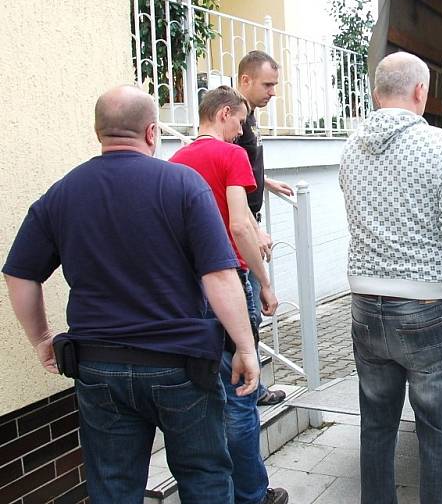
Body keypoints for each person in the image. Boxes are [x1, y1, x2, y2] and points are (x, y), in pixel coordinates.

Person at [2, 85, 260, 504]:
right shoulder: (184, 185)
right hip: (181, 366)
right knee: (206, 478)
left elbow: (19, 275)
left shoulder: (63, 192)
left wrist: (41, 339)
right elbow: (219, 276)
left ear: (98, 131)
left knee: (114, 487)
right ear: (152, 131)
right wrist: (246, 347)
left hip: (99, 367)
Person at [339, 51, 442, 504]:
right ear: (420, 92)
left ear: (375, 93)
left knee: (376, 427)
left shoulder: (350, 147)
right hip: (427, 309)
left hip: (366, 307)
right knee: (441, 432)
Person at [170, 86, 288, 504]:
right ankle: (252, 494)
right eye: (240, 121)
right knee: (241, 395)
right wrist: (266, 282)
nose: (242, 131)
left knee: (209, 397)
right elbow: (239, 226)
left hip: (190, 291)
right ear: (223, 114)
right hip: (230, 285)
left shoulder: (176, 161)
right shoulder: (231, 155)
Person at [236, 50, 293, 407]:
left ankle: (251, 386)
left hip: (250, 218)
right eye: (267, 84)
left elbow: (240, 166)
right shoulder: (234, 115)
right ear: (245, 80)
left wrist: (264, 180)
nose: (273, 92)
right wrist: (254, 228)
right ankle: (251, 389)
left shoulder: (249, 115)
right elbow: (227, 175)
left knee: (253, 307)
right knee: (251, 310)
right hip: (243, 225)